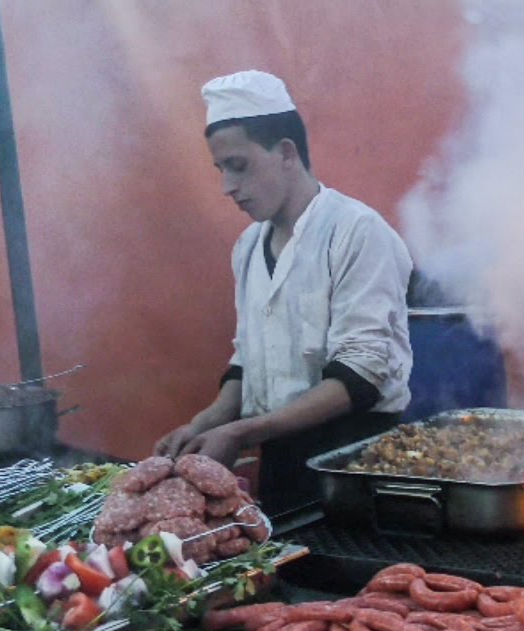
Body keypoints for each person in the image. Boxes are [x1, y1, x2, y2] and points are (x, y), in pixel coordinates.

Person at [155, 70, 413, 518]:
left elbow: (362, 375)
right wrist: (208, 421)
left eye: (239, 165)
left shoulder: (356, 232)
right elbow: (249, 360)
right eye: (220, 170)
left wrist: (243, 433)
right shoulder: (249, 247)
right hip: (282, 466)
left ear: (287, 153)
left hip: (358, 464)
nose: (227, 187)